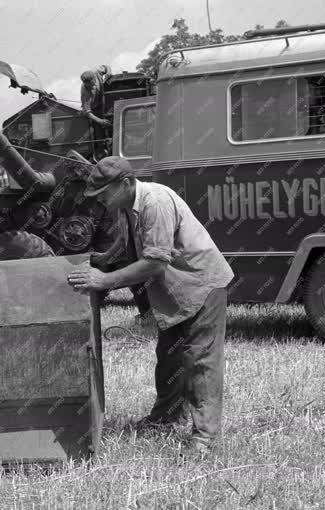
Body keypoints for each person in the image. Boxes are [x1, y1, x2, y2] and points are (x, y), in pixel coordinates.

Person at [67, 157, 234, 455]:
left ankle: (205, 438)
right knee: (169, 359)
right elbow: (131, 242)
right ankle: (165, 419)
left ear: (126, 183)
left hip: (202, 286)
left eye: (104, 194)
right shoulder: (127, 205)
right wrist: (103, 258)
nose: (101, 201)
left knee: (201, 361)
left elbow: (155, 262)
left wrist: (104, 280)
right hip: (177, 292)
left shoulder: (154, 202)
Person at [80, 64, 112, 159]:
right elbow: (88, 112)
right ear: (85, 83)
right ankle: (103, 153)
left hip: (104, 100)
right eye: (89, 85)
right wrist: (100, 121)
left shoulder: (96, 71)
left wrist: (109, 73)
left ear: (94, 77)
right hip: (95, 110)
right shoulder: (85, 91)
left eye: (93, 82)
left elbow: (106, 66)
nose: (92, 85)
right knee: (99, 134)